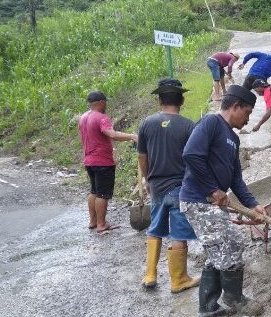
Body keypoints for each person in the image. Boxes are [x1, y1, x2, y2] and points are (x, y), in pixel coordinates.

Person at [179, 84, 266, 317]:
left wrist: (252, 204)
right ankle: (233, 297)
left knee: (218, 250)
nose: (248, 119)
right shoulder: (211, 124)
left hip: (211, 203)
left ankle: (207, 308)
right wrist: (212, 189)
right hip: (198, 200)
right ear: (235, 106)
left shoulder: (233, 139)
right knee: (234, 241)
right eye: (247, 113)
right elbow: (191, 154)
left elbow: (236, 179)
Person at [137, 78, 200, 293]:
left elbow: (142, 157)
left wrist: (147, 180)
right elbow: (194, 160)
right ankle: (178, 279)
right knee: (178, 232)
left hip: (156, 185)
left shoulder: (146, 123)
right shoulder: (188, 126)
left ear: (159, 100)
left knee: (155, 228)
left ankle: (150, 275)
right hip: (180, 187)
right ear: (181, 99)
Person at [78, 90, 137, 233]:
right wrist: (132, 136)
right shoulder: (101, 118)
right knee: (103, 194)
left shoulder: (83, 117)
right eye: (105, 101)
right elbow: (112, 134)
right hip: (102, 161)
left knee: (94, 190)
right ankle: (101, 224)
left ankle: (93, 221)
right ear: (100, 102)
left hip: (89, 161)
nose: (106, 104)